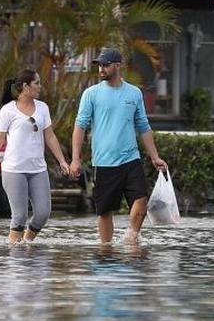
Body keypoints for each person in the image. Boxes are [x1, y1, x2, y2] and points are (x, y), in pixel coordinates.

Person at [69, 48, 169, 244]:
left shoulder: (134, 93)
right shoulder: (91, 94)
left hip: (131, 160)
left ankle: (131, 239)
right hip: (104, 162)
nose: (101, 69)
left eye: (106, 65)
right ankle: (106, 250)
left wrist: (155, 157)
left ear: (117, 65)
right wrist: (75, 159)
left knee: (141, 201)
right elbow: (80, 127)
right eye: (100, 65)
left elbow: (143, 126)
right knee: (105, 212)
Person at [0, 69, 70, 245]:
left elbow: (50, 136)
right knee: (19, 217)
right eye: (36, 83)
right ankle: (15, 259)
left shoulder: (43, 108)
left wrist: (62, 161)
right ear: (25, 86)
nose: (40, 86)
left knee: (43, 213)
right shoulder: (8, 110)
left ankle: (27, 243)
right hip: (14, 170)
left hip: (38, 169)